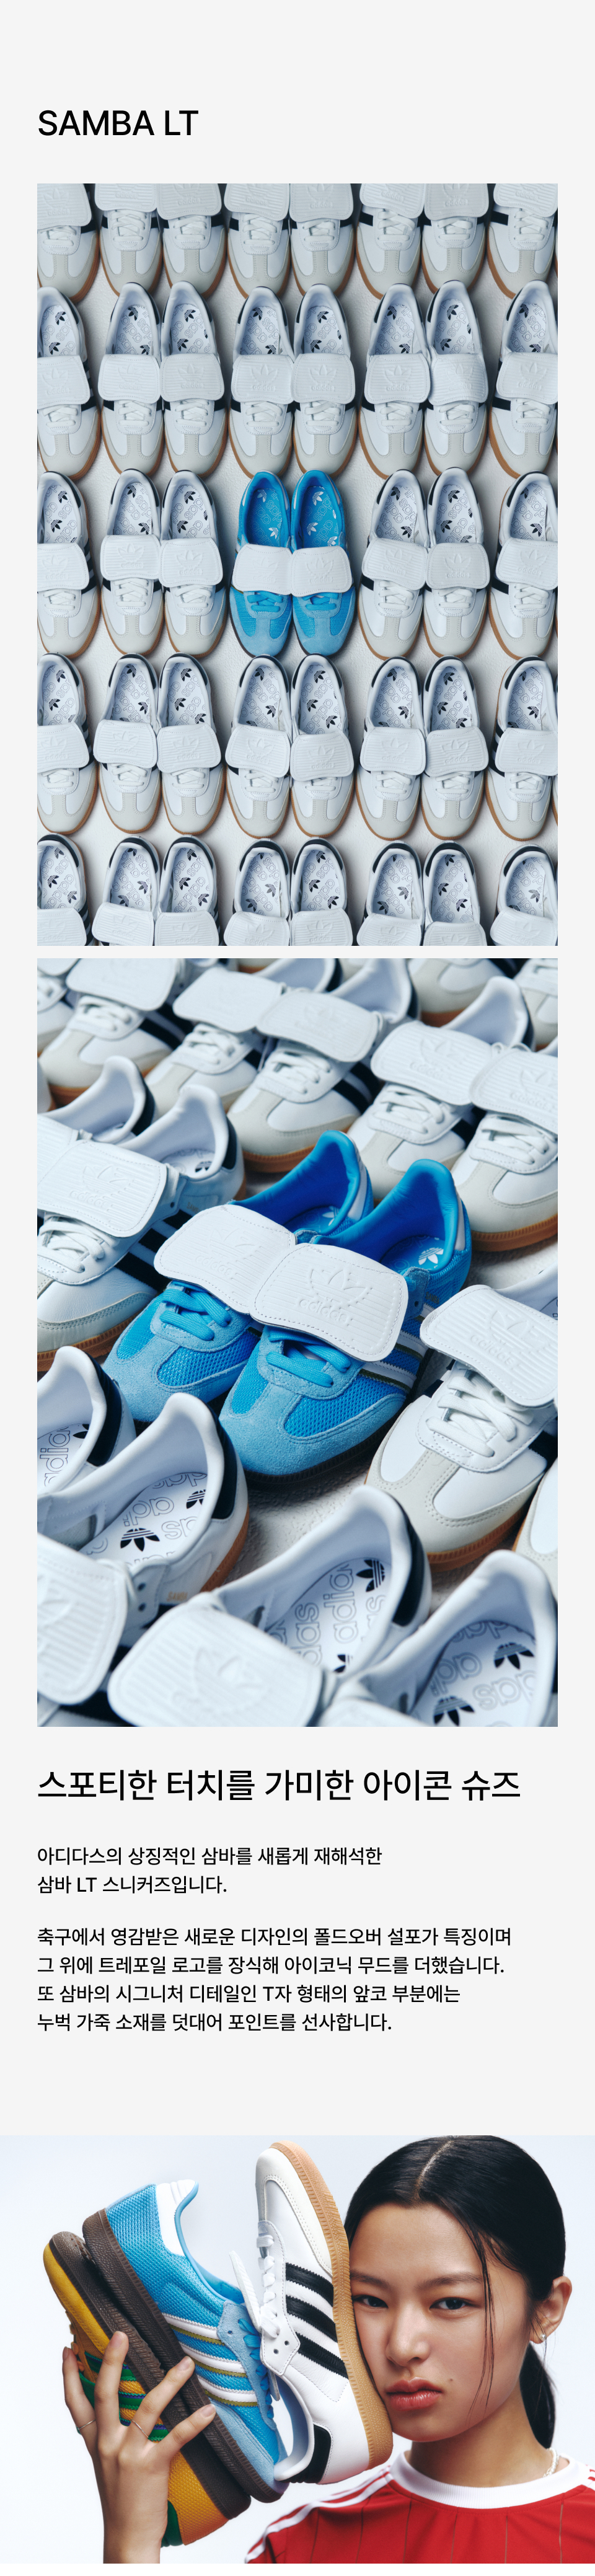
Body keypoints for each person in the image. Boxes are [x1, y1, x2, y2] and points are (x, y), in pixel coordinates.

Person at [62, 2137, 595, 2563]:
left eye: (451, 2302)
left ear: (546, 2310)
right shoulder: (300, 2549)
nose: (402, 2346)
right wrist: (131, 2541)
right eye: (369, 2300)